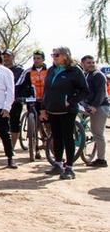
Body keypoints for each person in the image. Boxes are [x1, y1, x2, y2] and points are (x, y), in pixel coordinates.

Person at [41, 47, 89, 179]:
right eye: (53, 55)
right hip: (52, 109)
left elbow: (84, 90)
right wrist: (43, 108)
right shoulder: (52, 70)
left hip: (67, 110)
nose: (54, 57)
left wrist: (70, 101)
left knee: (68, 137)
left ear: (65, 56)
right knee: (56, 137)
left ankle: (69, 167)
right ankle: (58, 164)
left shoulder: (75, 71)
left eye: (56, 55)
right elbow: (47, 90)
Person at [80, 55, 108, 167]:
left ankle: (101, 160)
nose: (91, 64)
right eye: (88, 63)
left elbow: (101, 93)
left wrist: (95, 106)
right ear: (83, 64)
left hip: (100, 107)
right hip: (89, 106)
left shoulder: (98, 75)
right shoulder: (85, 75)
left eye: (92, 62)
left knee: (98, 134)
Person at [1, 49, 24, 152]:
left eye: (8, 56)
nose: (6, 58)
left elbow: (23, 85)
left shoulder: (20, 70)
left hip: (15, 101)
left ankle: (12, 147)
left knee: (14, 124)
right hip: (0, 100)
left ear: (13, 57)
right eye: (4, 56)